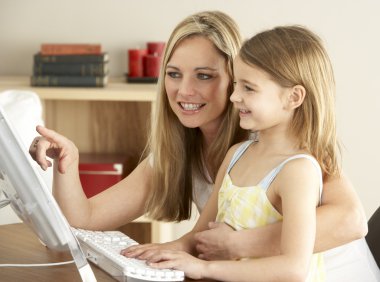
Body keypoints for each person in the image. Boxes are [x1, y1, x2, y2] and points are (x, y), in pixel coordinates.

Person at [30, 11, 366, 265]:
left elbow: (351, 220)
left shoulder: (278, 142)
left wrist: (238, 244)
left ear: (237, 79)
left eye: (204, 76)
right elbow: (83, 221)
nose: (184, 91)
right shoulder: (178, 151)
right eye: (174, 74)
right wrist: (67, 163)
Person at [123, 25, 380, 281]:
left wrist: (204, 269)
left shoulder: (298, 171)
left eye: (249, 88)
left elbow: (293, 269)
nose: (234, 97)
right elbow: (199, 238)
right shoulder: (236, 154)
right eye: (236, 85)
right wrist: (159, 253)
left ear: (293, 97)